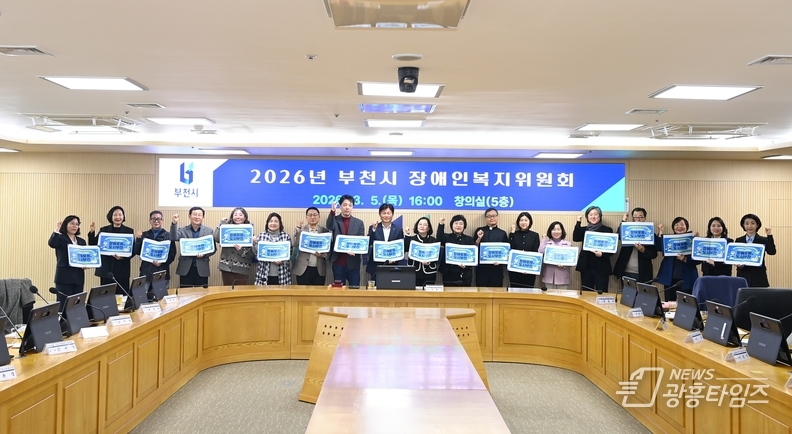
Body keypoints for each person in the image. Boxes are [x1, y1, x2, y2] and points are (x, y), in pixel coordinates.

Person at [87, 206, 134, 295]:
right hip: (107, 268)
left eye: (120, 215)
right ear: (111, 217)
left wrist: (123, 257)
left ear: (123, 216)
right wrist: (92, 232)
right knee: (106, 296)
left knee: (121, 295)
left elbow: (133, 249)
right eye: (115, 215)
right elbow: (94, 246)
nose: (118, 217)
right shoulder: (104, 230)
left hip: (122, 268)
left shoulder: (129, 231)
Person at [655, 217, 699, 301]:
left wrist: (685, 259)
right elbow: (658, 247)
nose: (679, 227)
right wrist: (661, 231)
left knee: (686, 304)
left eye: (682, 224)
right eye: (677, 225)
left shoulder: (692, 239)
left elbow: (698, 260)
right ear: (673, 227)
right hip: (670, 278)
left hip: (687, 278)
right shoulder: (668, 239)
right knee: (669, 303)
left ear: (686, 226)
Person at [326, 195, 365, 287]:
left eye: (350, 205)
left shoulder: (359, 223)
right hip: (338, 262)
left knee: (354, 289)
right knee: (339, 290)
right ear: (340, 206)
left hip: (353, 262)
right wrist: (332, 211)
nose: (347, 207)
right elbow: (329, 226)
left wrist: (354, 250)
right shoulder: (335, 219)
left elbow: (360, 241)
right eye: (345, 205)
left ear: (352, 207)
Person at [48, 216, 86, 310]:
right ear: (66, 225)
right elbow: (52, 243)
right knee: (63, 305)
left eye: (77, 224)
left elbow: (85, 256)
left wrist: (86, 264)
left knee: (76, 306)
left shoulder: (81, 241)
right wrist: (57, 229)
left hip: (78, 277)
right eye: (72, 223)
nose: (75, 226)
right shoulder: (60, 238)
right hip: (64, 277)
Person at [171, 207, 215, 288]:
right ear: (189, 216)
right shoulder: (182, 230)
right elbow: (173, 237)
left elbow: (213, 249)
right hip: (186, 267)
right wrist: (174, 223)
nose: (197, 217)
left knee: (201, 293)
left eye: (199, 215)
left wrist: (204, 254)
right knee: (185, 293)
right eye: (194, 214)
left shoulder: (209, 231)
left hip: (202, 267)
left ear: (203, 217)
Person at [573, 206, 613, 293]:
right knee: (586, 292)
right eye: (590, 215)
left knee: (602, 292)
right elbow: (576, 238)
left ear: (600, 216)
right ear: (587, 217)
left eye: (595, 214)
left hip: (601, 267)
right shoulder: (584, 230)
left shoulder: (607, 230)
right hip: (586, 267)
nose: (593, 217)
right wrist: (578, 222)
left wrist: (602, 254)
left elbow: (611, 249)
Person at [613, 207, 658, 284]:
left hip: (643, 273)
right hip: (626, 271)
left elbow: (654, 254)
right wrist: (624, 221)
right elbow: (618, 236)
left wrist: (643, 250)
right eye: (635, 217)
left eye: (641, 217)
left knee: (643, 292)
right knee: (627, 292)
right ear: (633, 218)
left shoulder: (650, 234)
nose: (638, 219)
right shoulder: (627, 231)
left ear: (645, 218)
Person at [213, 207, 255, 286]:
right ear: (232, 217)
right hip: (226, 267)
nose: (238, 217)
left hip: (242, 268)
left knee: (240, 291)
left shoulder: (249, 231)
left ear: (245, 217)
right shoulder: (226, 228)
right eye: (235, 215)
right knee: (227, 290)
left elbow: (251, 254)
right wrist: (221, 224)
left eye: (240, 215)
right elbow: (216, 238)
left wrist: (241, 250)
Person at [133, 210, 176, 286]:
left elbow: (172, 254)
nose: (156, 221)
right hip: (146, 273)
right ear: (150, 221)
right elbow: (137, 251)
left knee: (161, 293)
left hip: (162, 272)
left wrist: (162, 262)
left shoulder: (168, 236)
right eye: (153, 219)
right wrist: (139, 239)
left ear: (162, 220)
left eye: (158, 219)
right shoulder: (144, 235)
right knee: (143, 293)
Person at [366, 203, 405, 283]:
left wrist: (394, 259)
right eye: (384, 213)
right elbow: (368, 243)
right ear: (380, 214)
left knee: (391, 288)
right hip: (376, 266)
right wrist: (373, 230)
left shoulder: (398, 230)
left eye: (388, 213)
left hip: (392, 266)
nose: (386, 215)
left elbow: (401, 248)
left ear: (392, 214)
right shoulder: (373, 228)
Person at [735, 213, 776, 287]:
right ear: (743, 225)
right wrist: (737, 264)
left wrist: (769, 235)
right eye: (747, 223)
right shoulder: (739, 240)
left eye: (752, 223)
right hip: (743, 275)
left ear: (757, 225)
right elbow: (735, 257)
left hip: (759, 276)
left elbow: (772, 252)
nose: (749, 226)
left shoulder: (763, 240)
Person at [292, 207, 329, 285]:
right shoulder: (301, 230)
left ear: (319, 217)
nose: (312, 217)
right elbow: (294, 243)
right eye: (310, 215)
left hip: (319, 269)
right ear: (306, 217)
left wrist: (323, 256)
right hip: (302, 268)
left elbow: (328, 250)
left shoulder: (325, 231)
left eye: (315, 215)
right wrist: (298, 228)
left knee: (318, 292)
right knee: (302, 292)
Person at [474, 207, 509, 287]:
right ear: (485, 218)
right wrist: (479, 238)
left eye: (494, 216)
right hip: (482, 269)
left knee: (496, 291)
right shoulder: (479, 230)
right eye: (489, 216)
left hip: (496, 269)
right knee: (481, 291)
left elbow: (506, 252)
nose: (492, 218)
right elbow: (474, 247)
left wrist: (501, 261)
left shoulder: (502, 233)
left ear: (497, 217)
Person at [437, 215, 475, 287]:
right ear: (452, 225)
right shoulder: (447, 237)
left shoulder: (469, 239)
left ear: (464, 226)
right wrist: (441, 224)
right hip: (448, 273)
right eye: (456, 223)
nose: (458, 225)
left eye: (461, 224)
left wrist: (466, 265)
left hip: (464, 274)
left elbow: (473, 256)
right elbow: (439, 238)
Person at [254, 213, 292, 285]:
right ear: (267, 223)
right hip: (264, 274)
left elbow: (290, 253)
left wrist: (282, 261)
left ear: (280, 223)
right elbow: (256, 254)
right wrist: (254, 243)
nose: (273, 223)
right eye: (271, 221)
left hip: (282, 274)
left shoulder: (286, 236)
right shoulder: (261, 236)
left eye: (276, 221)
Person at [508, 212, 540, 288]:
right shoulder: (513, 234)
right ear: (518, 222)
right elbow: (509, 249)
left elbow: (535, 252)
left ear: (530, 222)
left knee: (528, 291)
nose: (523, 222)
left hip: (529, 269)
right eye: (521, 220)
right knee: (515, 290)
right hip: (515, 269)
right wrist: (512, 233)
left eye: (526, 220)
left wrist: (527, 269)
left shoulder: (535, 235)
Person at [404, 217, 439, 287]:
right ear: (417, 226)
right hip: (414, 272)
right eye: (420, 224)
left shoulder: (433, 240)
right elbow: (405, 249)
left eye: (425, 225)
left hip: (429, 273)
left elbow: (437, 256)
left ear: (428, 228)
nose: (422, 226)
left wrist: (430, 261)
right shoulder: (412, 239)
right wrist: (407, 235)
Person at [538, 221, 572, 289]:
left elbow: (571, 260)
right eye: (554, 229)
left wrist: (564, 266)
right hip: (549, 278)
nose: (556, 232)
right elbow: (540, 252)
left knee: (563, 296)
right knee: (549, 296)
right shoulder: (546, 244)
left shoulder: (568, 244)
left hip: (563, 278)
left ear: (562, 231)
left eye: (558, 229)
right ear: (550, 231)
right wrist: (544, 239)